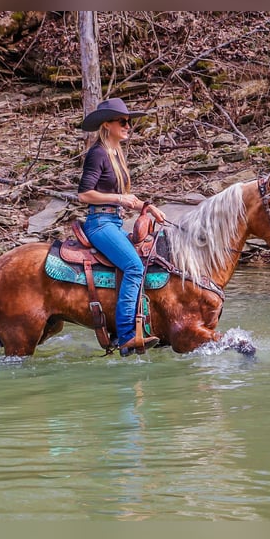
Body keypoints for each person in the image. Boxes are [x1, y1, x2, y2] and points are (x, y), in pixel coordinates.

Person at [78, 98, 166, 356]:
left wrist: (147, 207)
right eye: (123, 121)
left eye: (129, 122)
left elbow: (124, 196)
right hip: (99, 223)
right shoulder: (98, 153)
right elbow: (84, 195)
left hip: (114, 221)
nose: (128, 126)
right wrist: (119, 199)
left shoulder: (117, 153)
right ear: (107, 124)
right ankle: (128, 335)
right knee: (133, 266)